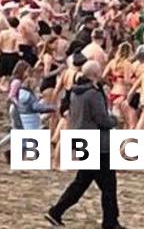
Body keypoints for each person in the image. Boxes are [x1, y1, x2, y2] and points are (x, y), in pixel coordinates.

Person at [45, 61, 122, 229]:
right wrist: (114, 119)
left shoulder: (76, 92)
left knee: (82, 182)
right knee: (108, 185)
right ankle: (110, 222)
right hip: (96, 143)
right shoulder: (92, 94)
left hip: (82, 139)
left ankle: (56, 212)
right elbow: (101, 119)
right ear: (94, 74)